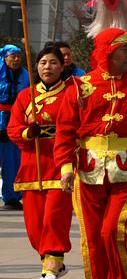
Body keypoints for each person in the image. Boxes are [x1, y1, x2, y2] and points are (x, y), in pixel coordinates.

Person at [54, 28, 127, 279]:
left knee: (115, 231)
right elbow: (65, 131)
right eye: (124, 49)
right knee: (93, 236)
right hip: (88, 171)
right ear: (108, 52)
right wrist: (66, 167)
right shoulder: (81, 86)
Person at [7, 46, 73, 279]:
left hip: (60, 163)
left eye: (53, 62)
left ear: (62, 66)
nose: (48, 67)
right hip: (32, 165)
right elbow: (13, 128)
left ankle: (52, 266)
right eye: (43, 63)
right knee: (34, 223)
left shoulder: (72, 93)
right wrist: (28, 132)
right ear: (36, 66)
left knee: (54, 217)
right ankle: (50, 262)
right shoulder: (26, 96)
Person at [0, 44, 29, 210]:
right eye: (13, 56)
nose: (17, 59)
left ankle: (11, 196)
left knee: (12, 162)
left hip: (15, 121)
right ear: (5, 58)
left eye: (19, 56)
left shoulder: (25, 75)